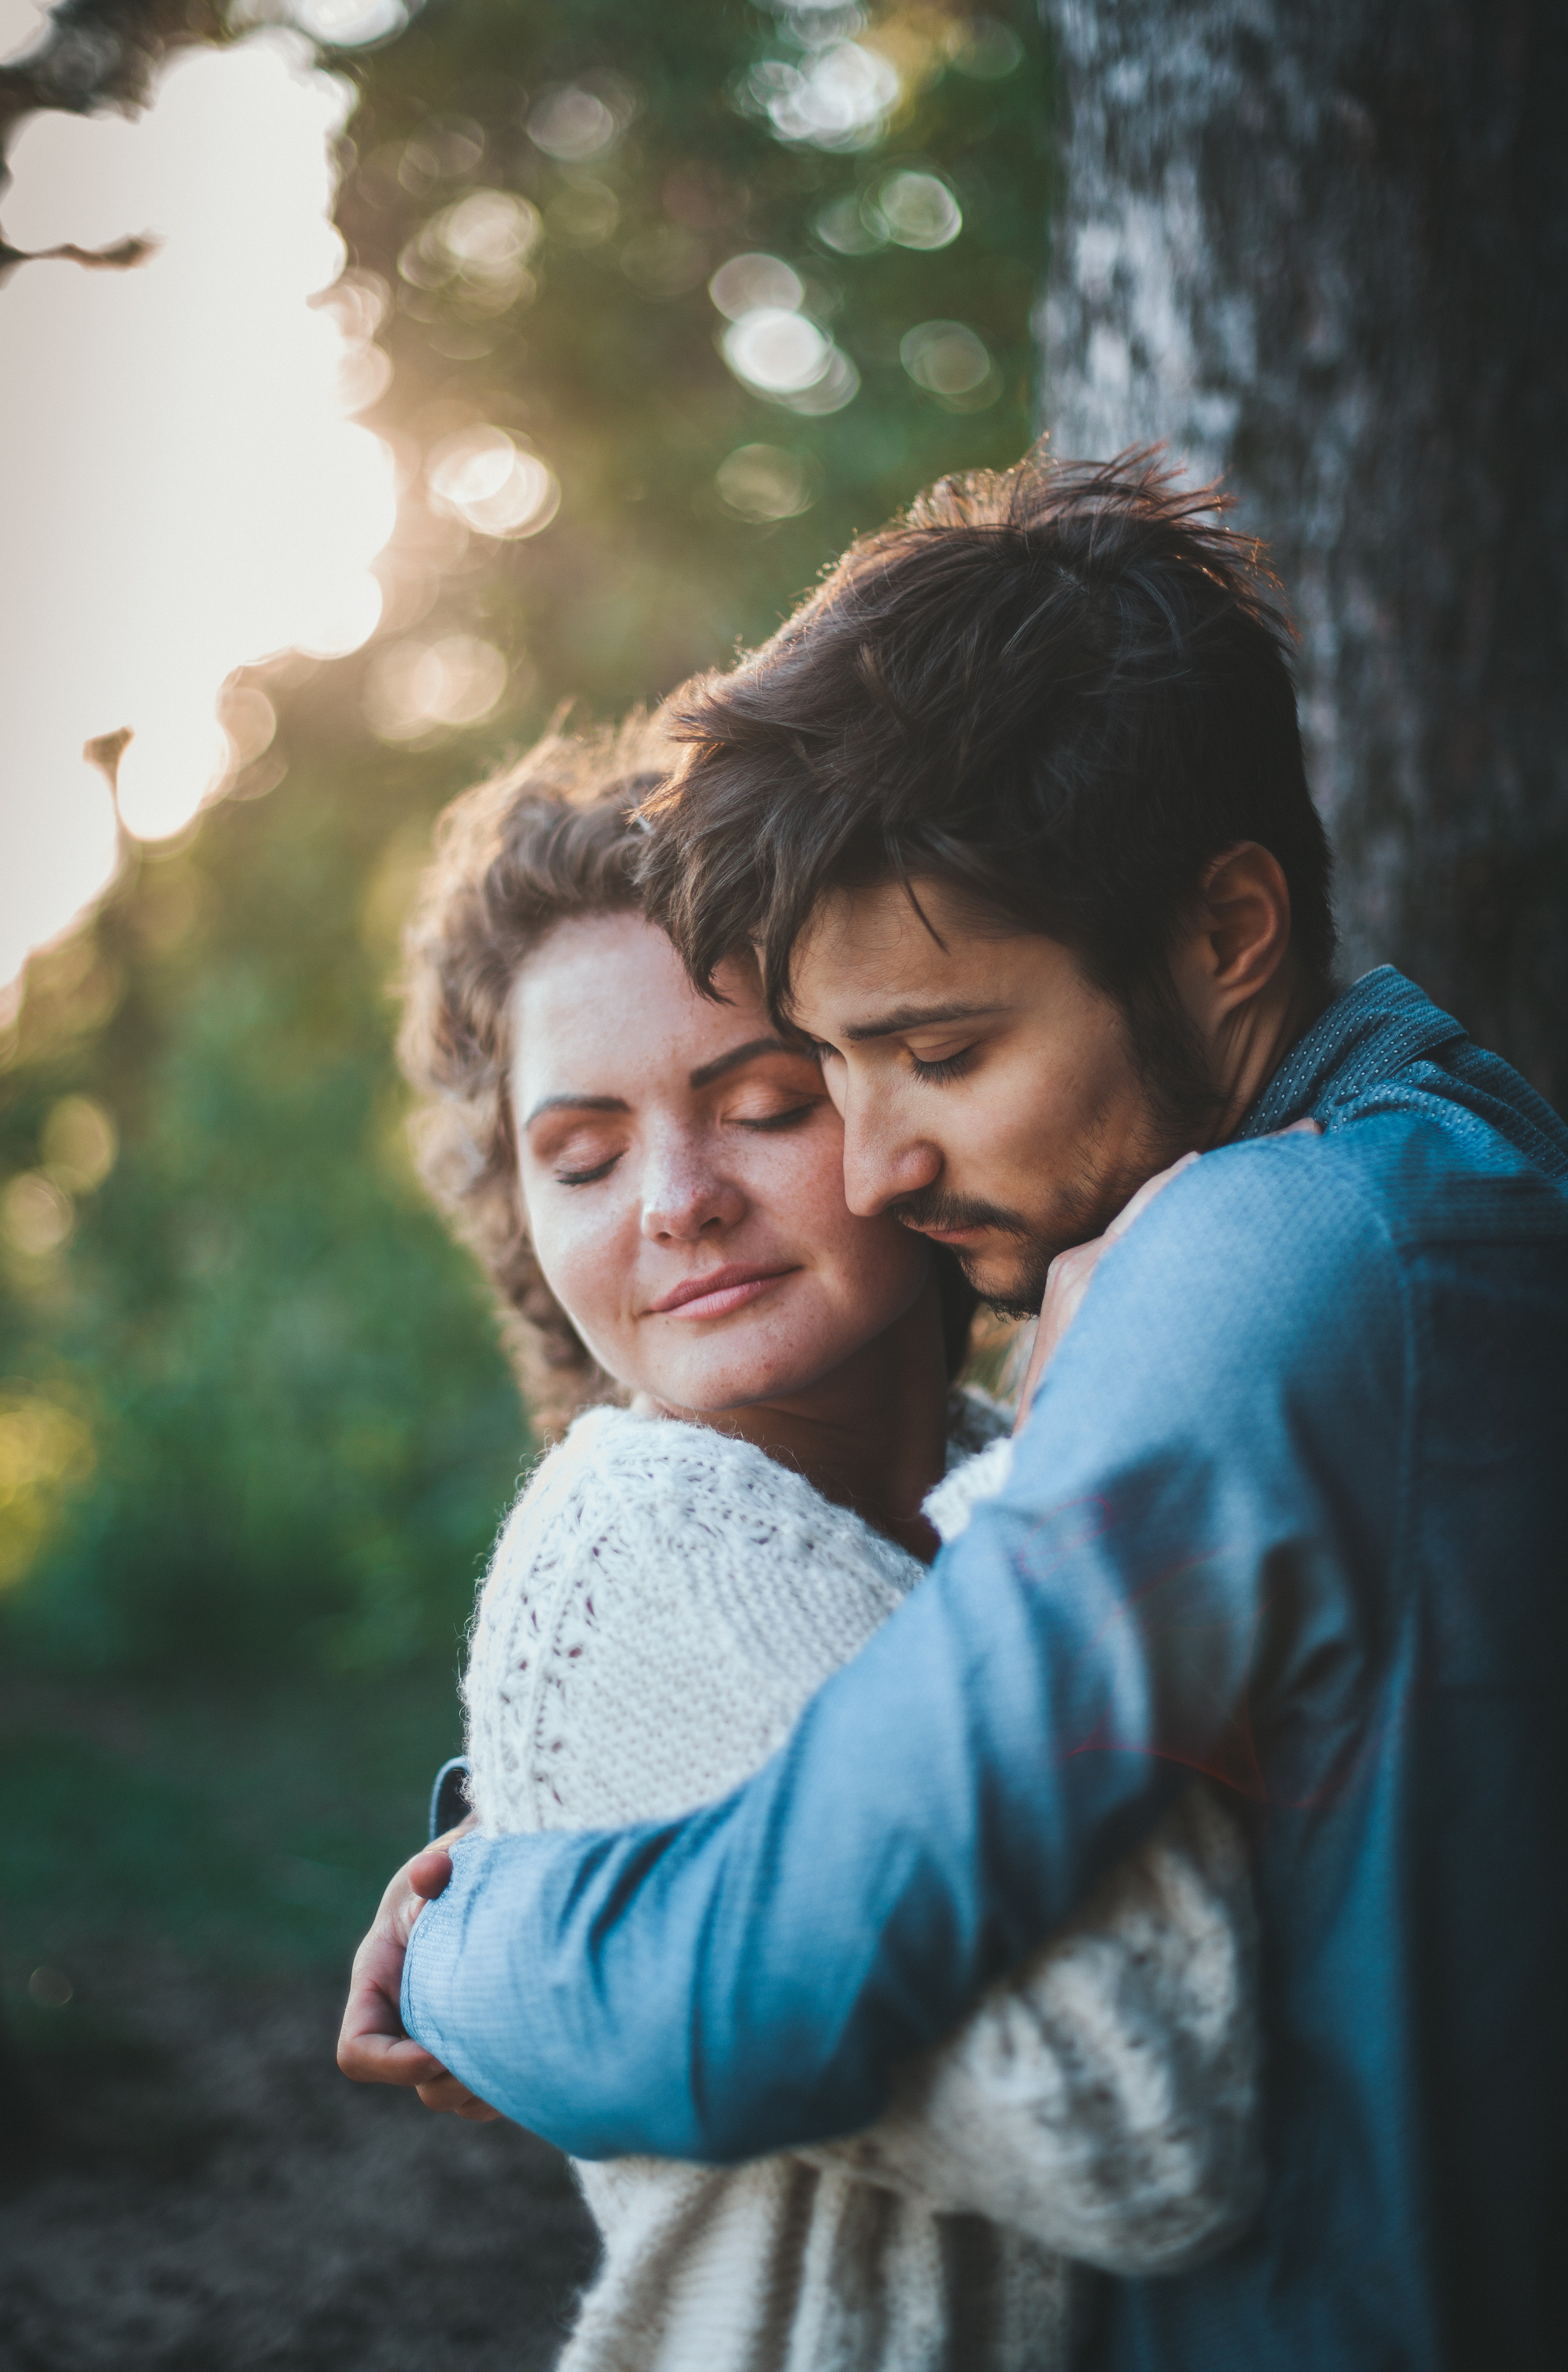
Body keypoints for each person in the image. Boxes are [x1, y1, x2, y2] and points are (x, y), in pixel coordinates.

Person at [341, 457, 1568, 2371]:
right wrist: (539, 1779)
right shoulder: (1458, 1168)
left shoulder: (1250, 1270)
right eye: (839, 1068)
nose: (881, 1158)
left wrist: (470, 1933)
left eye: (932, 1055)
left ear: (1227, 932)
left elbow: (770, 1967)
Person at [363, 732, 1261, 2371]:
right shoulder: (649, 1535)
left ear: (904, 1097)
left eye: (764, 1105)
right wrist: (1087, 1450)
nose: (675, 1199)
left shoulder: (980, 1475)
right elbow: (1148, 2137)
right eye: (582, 1157)